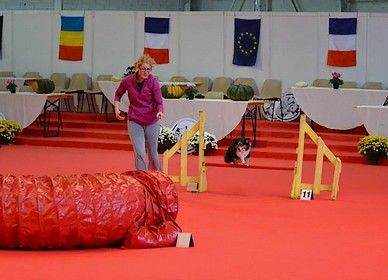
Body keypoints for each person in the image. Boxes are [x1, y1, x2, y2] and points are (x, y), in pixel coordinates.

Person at [114, 54, 164, 171]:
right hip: (135, 120)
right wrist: (117, 109)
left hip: (151, 120)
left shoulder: (153, 81)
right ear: (138, 67)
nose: (146, 72)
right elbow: (118, 94)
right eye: (143, 69)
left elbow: (159, 101)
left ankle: (157, 178)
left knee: (153, 154)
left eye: (148, 69)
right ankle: (141, 179)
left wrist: (160, 112)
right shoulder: (128, 81)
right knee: (140, 152)